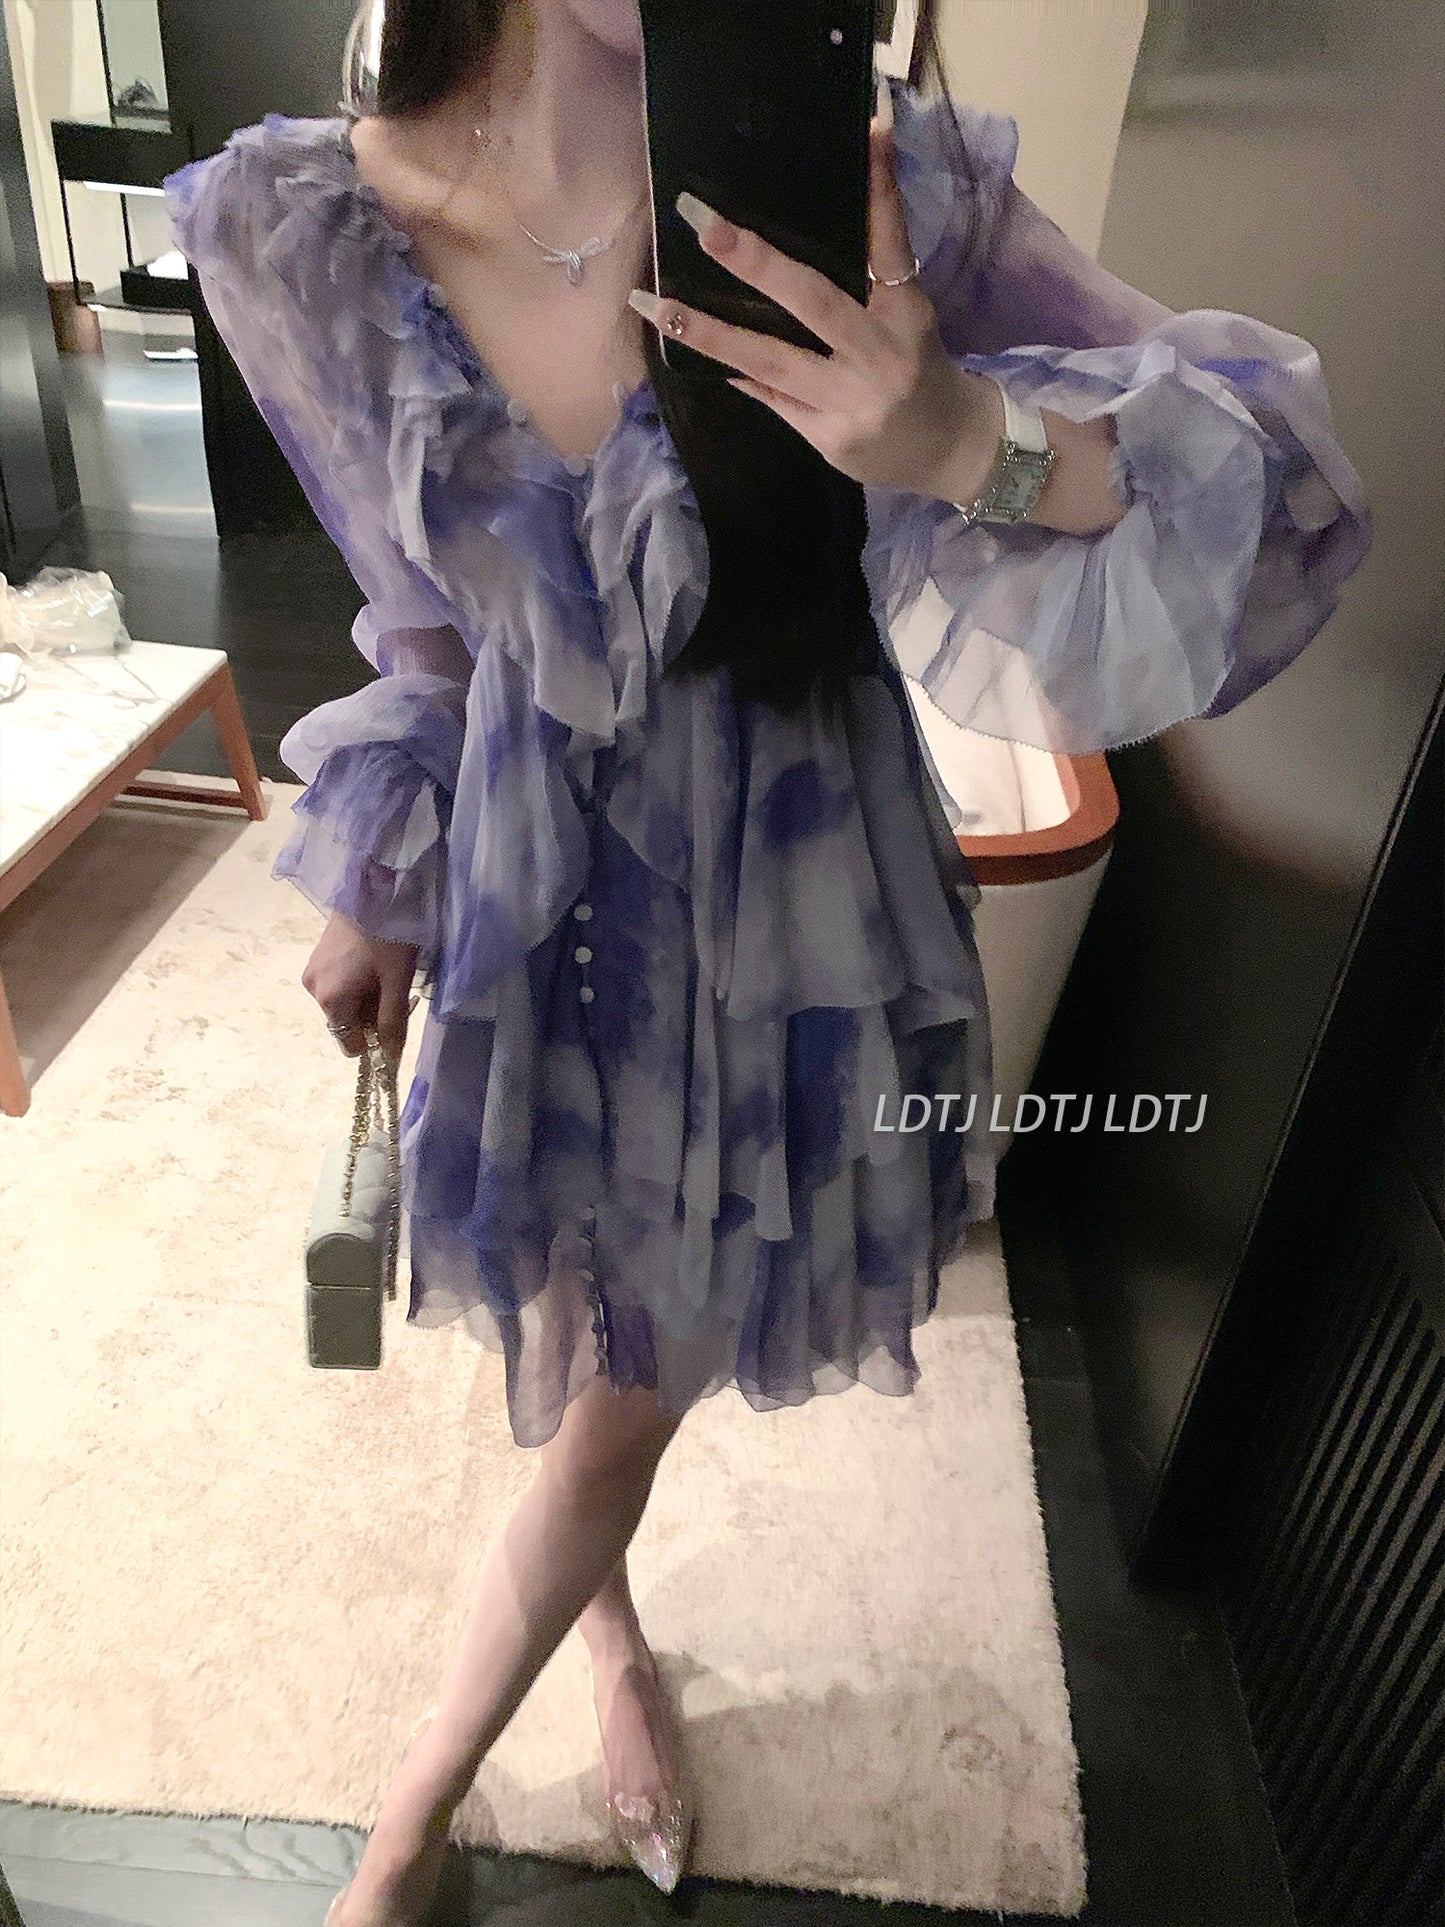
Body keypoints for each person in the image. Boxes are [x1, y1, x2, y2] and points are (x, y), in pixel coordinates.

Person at [162, 0, 1370, 1918]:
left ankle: (413, 1814)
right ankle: (605, 1623)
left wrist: (964, 440)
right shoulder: (299, 231)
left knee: (633, 1384)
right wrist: (372, 880)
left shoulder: (874, 180)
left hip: (789, 914)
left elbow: (1269, 483)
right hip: (534, 897)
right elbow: (428, 632)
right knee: (579, 1300)